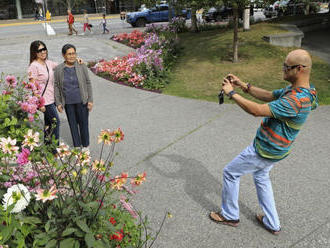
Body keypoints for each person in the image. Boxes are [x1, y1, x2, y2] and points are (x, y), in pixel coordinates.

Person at [209, 49, 318, 235]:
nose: (283, 69)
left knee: (230, 173)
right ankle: (272, 223)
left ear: (299, 69)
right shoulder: (305, 91)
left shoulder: (295, 101)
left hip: (264, 150)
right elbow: (268, 95)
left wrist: (231, 93)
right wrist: (243, 85)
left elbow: (257, 110)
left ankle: (229, 215)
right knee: (261, 178)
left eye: (286, 66)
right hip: (278, 150)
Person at [54, 44, 93, 150]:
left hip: (82, 101)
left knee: (83, 124)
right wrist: (58, 103)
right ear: (63, 55)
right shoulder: (58, 69)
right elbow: (56, 86)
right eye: (69, 54)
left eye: (74, 53)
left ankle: (85, 146)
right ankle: (76, 145)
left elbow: (88, 83)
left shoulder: (81, 66)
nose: (72, 56)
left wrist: (90, 100)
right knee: (72, 124)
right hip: (68, 102)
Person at [28, 40, 60, 148]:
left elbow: (61, 66)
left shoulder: (48, 63)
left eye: (44, 49)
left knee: (48, 124)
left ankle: (48, 147)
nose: (43, 52)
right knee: (56, 122)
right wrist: (40, 104)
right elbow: (33, 87)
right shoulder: (34, 66)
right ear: (34, 52)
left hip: (52, 98)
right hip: (44, 101)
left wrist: (75, 61)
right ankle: (55, 149)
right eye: (40, 50)